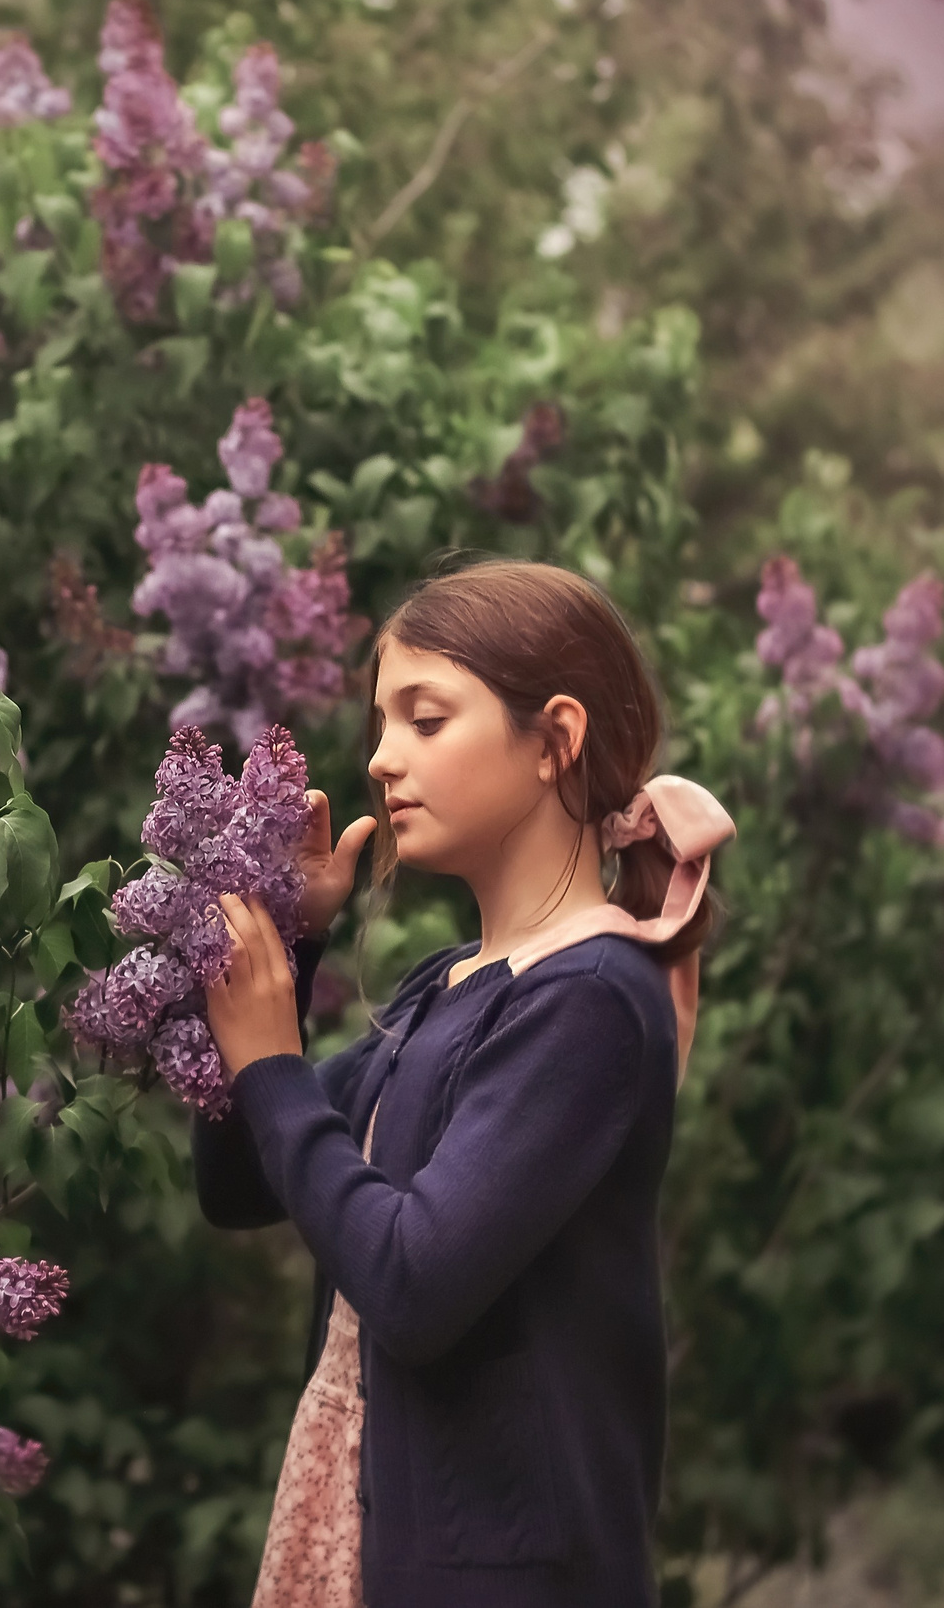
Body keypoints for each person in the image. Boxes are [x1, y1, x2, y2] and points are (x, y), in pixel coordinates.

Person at [194, 558, 734, 1608]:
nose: (382, 758)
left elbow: (411, 1282)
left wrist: (272, 1058)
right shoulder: (446, 986)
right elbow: (239, 1181)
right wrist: (289, 957)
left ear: (554, 738)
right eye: (380, 721)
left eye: (425, 718)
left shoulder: (592, 996)